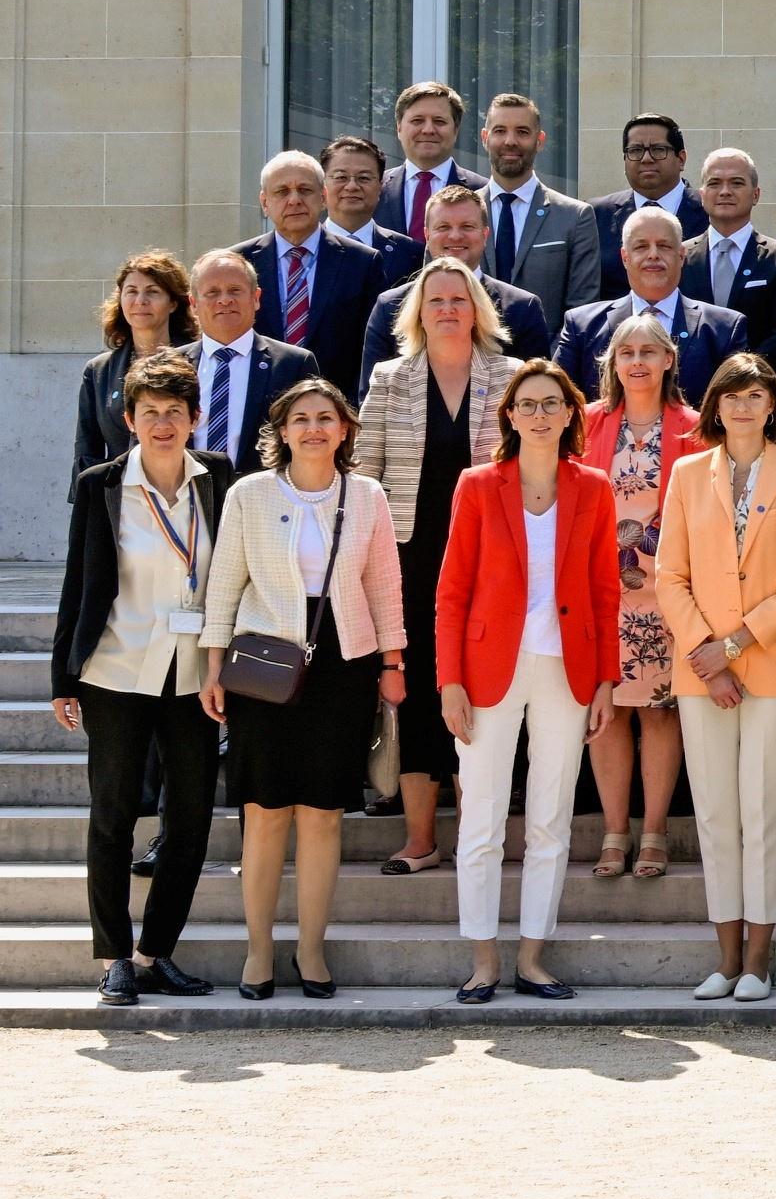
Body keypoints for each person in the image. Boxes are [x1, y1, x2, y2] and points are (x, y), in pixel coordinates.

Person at [199, 377, 407, 996]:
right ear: (281, 432)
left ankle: (311, 952)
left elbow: (383, 587)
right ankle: (258, 953)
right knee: (263, 815)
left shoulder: (367, 495)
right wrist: (213, 667)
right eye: (300, 418)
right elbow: (224, 584)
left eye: (326, 417)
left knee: (322, 817)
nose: (313, 428)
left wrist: (392, 665)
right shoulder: (250, 494)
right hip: (263, 667)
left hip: (344, 666)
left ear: (345, 430)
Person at [434, 359, 618, 1003]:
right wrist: (448, 679)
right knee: (481, 818)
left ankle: (532, 958)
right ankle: (484, 959)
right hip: (487, 670)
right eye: (527, 405)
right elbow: (452, 590)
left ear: (572, 413)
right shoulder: (479, 486)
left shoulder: (593, 487)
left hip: (568, 670)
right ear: (509, 416)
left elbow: (603, 591)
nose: (540, 415)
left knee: (550, 818)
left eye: (552, 404)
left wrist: (605, 682)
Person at [52, 352, 233, 1004]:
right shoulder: (102, 482)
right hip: (115, 668)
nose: (162, 423)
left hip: (192, 676)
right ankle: (113, 956)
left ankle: (155, 952)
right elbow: (79, 580)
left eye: (174, 412)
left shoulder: (217, 477)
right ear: (128, 418)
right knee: (113, 815)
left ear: (194, 418)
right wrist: (61, 676)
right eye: (149, 412)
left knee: (190, 818)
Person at [655, 356, 776, 1001]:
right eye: (733, 396)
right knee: (716, 813)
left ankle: (759, 957)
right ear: (715, 407)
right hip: (702, 666)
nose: (745, 407)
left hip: (773, 663)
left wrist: (733, 645)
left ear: (773, 405)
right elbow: (670, 573)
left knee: (764, 808)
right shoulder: (687, 473)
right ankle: (724, 957)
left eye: (757, 395)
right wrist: (708, 651)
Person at [354, 259, 522, 875]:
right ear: (417, 313)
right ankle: (421, 838)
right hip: (409, 555)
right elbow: (365, 473)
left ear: (477, 308)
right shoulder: (389, 379)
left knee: (482, 685)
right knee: (421, 689)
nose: (447, 309)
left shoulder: (508, 377)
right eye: (435, 301)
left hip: (491, 557)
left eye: (458, 298)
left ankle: (481, 836)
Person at [580, 314, 698, 880]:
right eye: (625, 352)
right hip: (600, 592)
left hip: (669, 593)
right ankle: (613, 831)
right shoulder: (588, 423)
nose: (637, 362)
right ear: (612, 363)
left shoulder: (695, 426)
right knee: (605, 715)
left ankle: (653, 832)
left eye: (648, 351)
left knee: (657, 713)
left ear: (668, 360)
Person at [551, 206, 749, 404]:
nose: (653, 254)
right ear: (625, 257)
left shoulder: (724, 329)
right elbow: (558, 400)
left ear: (681, 255)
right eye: (641, 247)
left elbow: (737, 405)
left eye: (664, 246)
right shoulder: (582, 326)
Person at [240, 148, 386, 398]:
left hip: (336, 413)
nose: (294, 200)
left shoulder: (362, 263)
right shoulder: (241, 262)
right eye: (282, 192)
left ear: (323, 197)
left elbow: (373, 350)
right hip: (259, 413)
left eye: (305, 190)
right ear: (265, 202)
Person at [365, 185, 550, 373]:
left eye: (467, 227)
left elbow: (537, 393)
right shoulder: (390, 306)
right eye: (443, 227)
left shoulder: (522, 309)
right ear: (427, 235)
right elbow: (372, 394)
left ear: (485, 235)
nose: (455, 236)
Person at [467, 92, 601, 337]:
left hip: (545, 366)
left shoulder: (575, 217)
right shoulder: (459, 215)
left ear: (539, 140)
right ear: (485, 138)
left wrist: (544, 369)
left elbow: (581, 311)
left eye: (522, 132)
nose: (510, 141)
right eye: (499, 131)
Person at [181, 251, 316, 466]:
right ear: (193, 304)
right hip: (186, 495)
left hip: (265, 494)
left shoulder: (292, 364)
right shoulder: (172, 364)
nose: (225, 300)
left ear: (256, 298)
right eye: (212, 292)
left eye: (235, 290)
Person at [681, 147, 776, 370]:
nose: (725, 191)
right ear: (702, 195)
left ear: (756, 194)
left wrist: (740, 371)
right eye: (714, 183)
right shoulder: (679, 257)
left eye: (737, 183)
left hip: (757, 382)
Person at [77, 252, 198, 478]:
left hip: (185, 492)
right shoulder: (99, 371)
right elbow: (87, 449)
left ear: (173, 302)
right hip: (120, 498)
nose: (140, 301)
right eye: (131, 291)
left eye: (152, 292)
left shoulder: (198, 361)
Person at [590, 112, 694, 298]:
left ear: (681, 159)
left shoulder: (710, 211)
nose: (646, 158)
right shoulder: (595, 214)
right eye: (636, 151)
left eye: (658, 150)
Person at [380, 79, 479, 235]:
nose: (428, 130)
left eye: (439, 121)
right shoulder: (375, 189)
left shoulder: (481, 192)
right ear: (399, 127)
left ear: (456, 129)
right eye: (417, 121)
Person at [319, 136, 420, 283]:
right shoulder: (302, 250)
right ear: (323, 185)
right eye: (341, 177)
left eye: (364, 178)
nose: (352, 186)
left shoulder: (410, 253)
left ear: (380, 186)